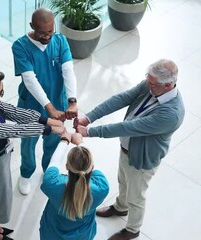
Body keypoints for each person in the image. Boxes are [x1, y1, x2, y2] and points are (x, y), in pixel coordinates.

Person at [74, 59, 185, 240]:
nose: (148, 85)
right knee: (123, 181)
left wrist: (89, 132)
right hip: (127, 148)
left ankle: (133, 230)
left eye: (152, 84)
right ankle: (120, 207)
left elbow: (129, 127)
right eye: (147, 80)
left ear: (168, 85)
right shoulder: (152, 84)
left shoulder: (171, 114)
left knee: (136, 195)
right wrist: (90, 117)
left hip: (142, 159)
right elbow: (122, 98)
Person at [0, 70, 64, 240]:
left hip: (1, 157)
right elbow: (15, 129)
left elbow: (16, 113)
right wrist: (49, 129)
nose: (1, 96)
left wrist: (47, 120)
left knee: (1, 195)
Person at [12, 7, 78, 195]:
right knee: (28, 142)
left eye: (50, 31)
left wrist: (72, 101)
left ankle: (48, 172)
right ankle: (25, 174)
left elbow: (68, 70)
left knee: (52, 141)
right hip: (31, 106)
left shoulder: (60, 40)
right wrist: (49, 108)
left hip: (58, 103)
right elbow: (30, 80)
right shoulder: (20, 46)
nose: (47, 36)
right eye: (42, 32)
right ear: (32, 26)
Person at [40, 131, 109, 240]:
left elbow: (54, 162)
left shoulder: (52, 183)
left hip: (51, 234)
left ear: (67, 166)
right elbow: (91, 165)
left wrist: (64, 141)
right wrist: (80, 143)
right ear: (91, 167)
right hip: (83, 236)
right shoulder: (102, 187)